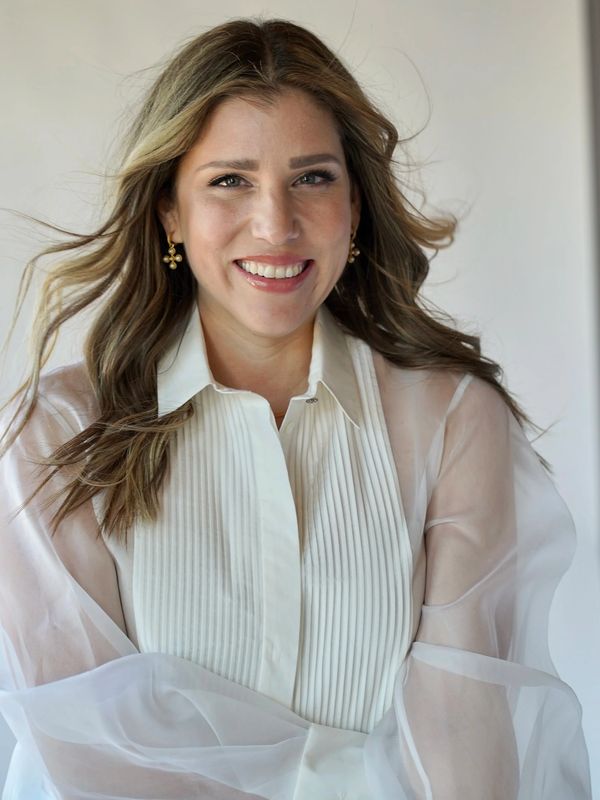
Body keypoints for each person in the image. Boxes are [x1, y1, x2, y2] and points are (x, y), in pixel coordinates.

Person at [0, 16, 592, 800]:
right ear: (169, 212)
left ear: (356, 207)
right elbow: (92, 754)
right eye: (230, 181)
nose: (276, 224)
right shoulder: (58, 431)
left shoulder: (454, 421)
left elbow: (462, 735)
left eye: (312, 178)